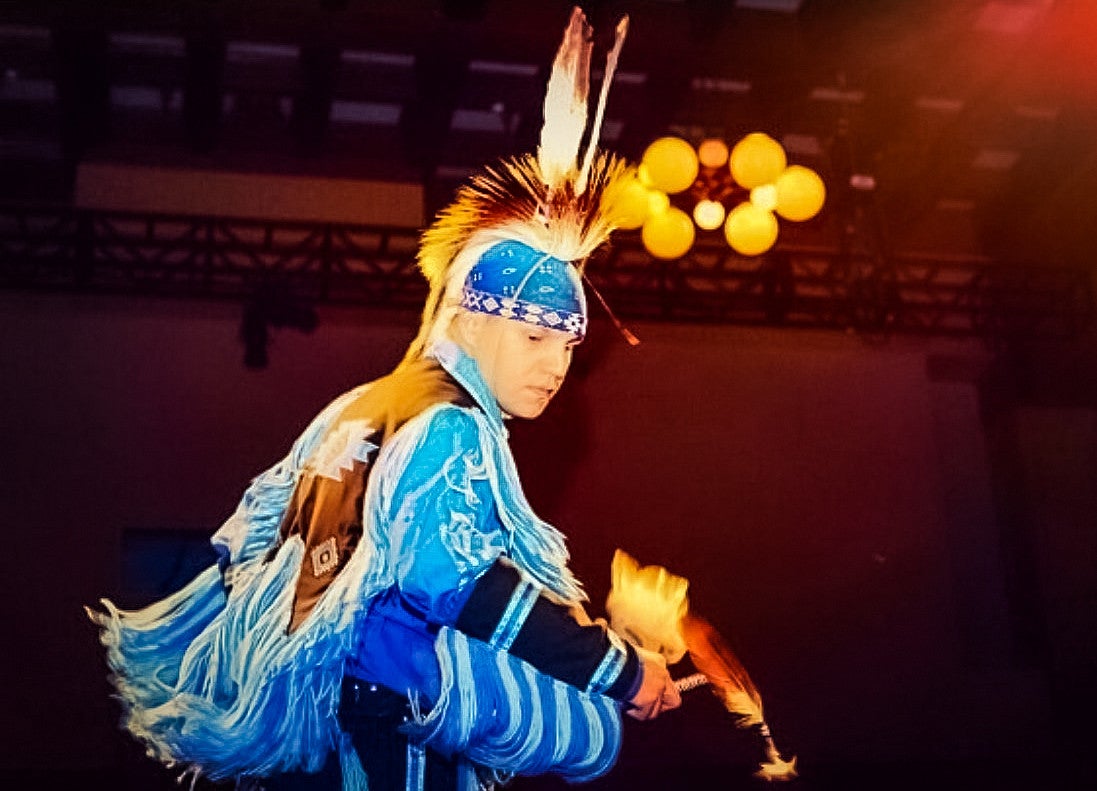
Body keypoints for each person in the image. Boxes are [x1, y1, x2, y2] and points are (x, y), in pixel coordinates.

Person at [87, 8, 679, 791]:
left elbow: (251, 548)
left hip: (320, 727)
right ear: (467, 319)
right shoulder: (449, 425)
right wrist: (618, 667)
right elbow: (451, 580)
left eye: (569, 346)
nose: (556, 365)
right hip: (387, 730)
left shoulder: (355, 406)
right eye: (535, 338)